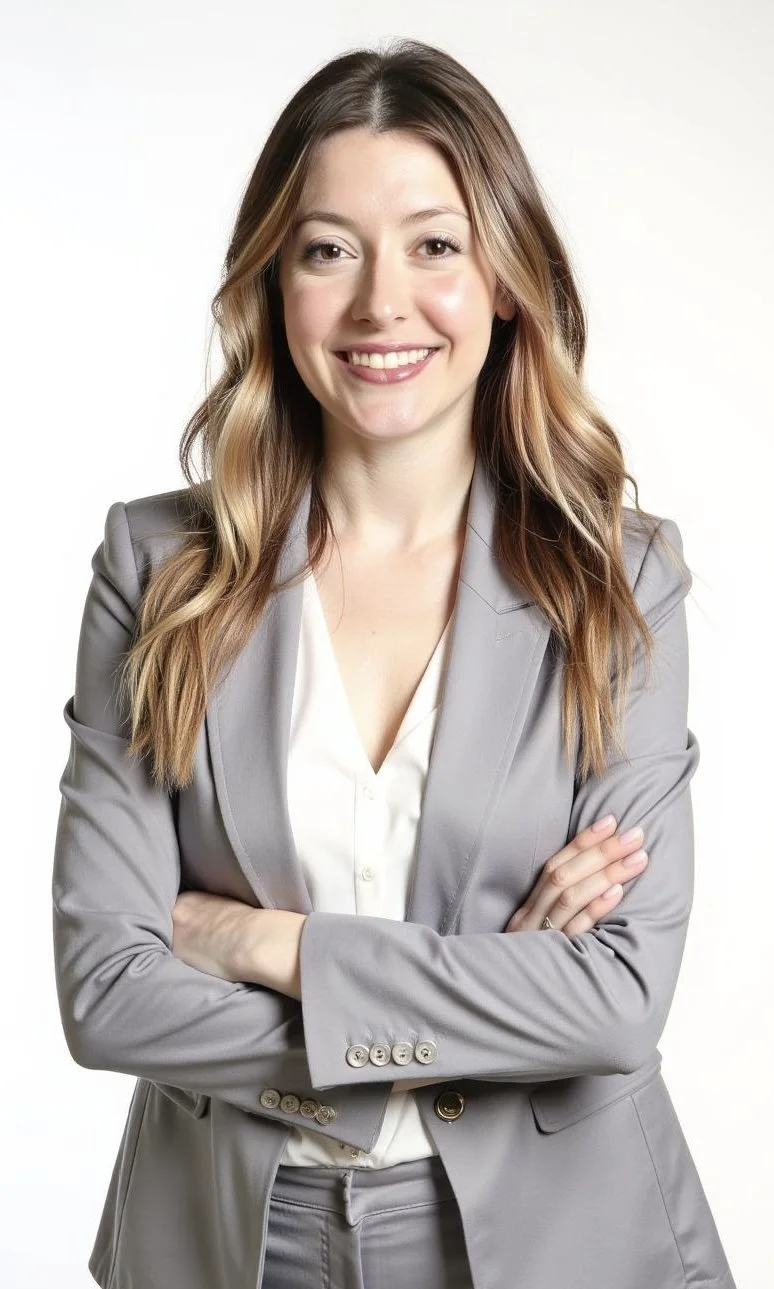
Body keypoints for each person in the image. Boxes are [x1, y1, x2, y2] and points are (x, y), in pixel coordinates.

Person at [52, 37, 737, 1289]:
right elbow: (108, 991)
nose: (381, 304)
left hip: (565, 1240)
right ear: (274, 284)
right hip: (222, 1237)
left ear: (506, 279)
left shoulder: (619, 578)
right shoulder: (157, 567)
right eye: (328, 250)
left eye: (435, 244)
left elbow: (615, 1002)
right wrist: (490, 997)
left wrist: (264, 942)